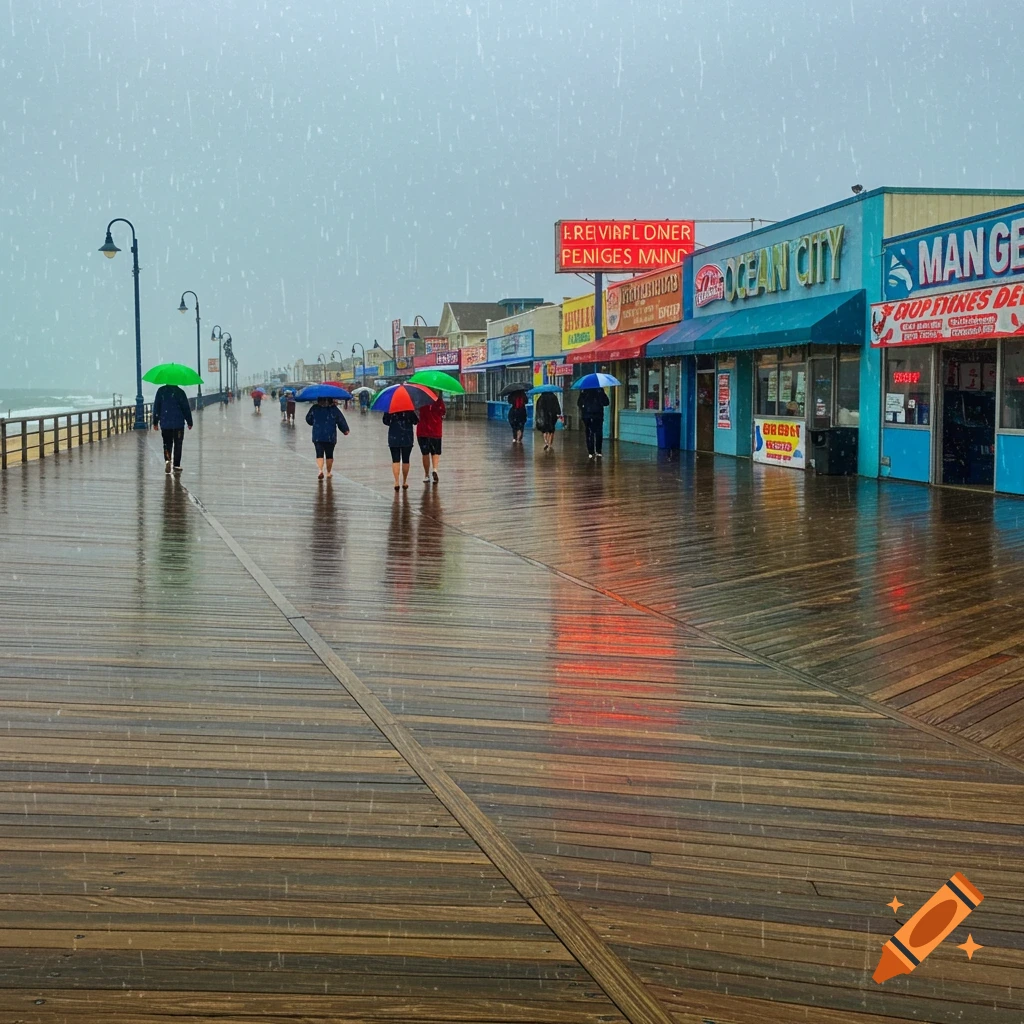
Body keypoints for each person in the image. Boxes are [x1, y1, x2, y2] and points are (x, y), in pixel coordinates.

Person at [152, 382, 194, 474]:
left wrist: (155, 421)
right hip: (178, 424)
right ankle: (176, 465)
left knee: (167, 444)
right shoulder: (180, 392)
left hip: (165, 423)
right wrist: (189, 421)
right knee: (178, 444)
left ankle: (167, 460)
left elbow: (156, 407)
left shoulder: (161, 391)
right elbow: (186, 408)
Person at [305, 397, 350, 480]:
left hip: (317, 435)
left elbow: (309, 420)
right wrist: (345, 430)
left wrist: (316, 420)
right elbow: (340, 420)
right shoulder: (334, 409)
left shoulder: (314, 408)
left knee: (319, 453)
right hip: (330, 435)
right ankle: (328, 472)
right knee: (329, 455)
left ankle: (320, 470)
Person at [383, 408, 418, 489]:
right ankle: (405, 481)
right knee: (406, 459)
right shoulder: (409, 409)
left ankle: (396, 482)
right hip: (407, 436)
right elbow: (415, 421)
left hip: (394, 435)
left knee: (395, 460)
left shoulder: (390, 408)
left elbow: (385, 421)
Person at [417, 392, 446, 483]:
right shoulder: (439, 402)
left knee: (425, 453)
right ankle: (435, 470)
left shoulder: (422, 401)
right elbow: (443, 413)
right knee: (435, 452)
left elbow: (417, 413)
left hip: (423, 431)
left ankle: (426, 475)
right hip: (436, 431)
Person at [577, 387, 610, 459]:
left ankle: (591, 451)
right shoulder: (600, 390)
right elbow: (606, 402)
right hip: (598, 415)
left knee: (589, 433)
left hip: (587, 415)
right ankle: (598, 451)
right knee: (598, 433)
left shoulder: (584, 391)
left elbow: (579, 403)